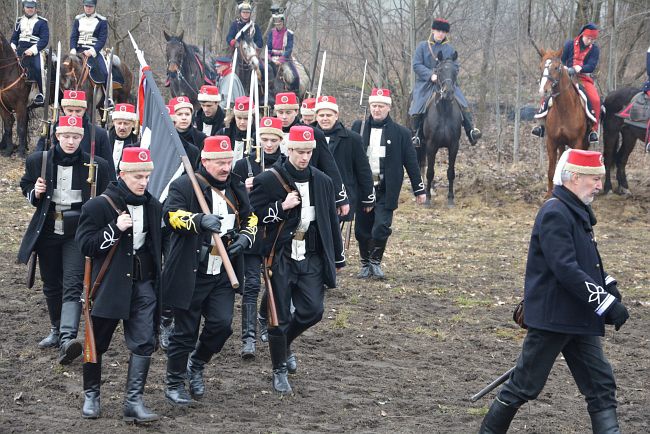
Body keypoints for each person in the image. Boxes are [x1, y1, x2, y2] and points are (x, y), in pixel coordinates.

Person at [479, 149, 630, 434]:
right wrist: (606, 304)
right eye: (594, 179)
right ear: (574, 178)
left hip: (578, 316)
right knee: (524, 386)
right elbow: (566, 269)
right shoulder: (555, 212)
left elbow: (588, 261)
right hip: (554, 317)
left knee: (601, 385)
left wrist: (608, 284)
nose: (600, 185)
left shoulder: (576, 210)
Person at [250, 125, 345, 395]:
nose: (304, 157)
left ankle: (284, 343)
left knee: (313, 311)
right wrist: (281, 208)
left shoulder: (323, 181)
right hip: (280, 257)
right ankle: (279, 369)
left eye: (308, 152)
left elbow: (329, 222)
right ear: (288, 149)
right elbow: (252, 217)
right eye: (299, 151)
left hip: (311, 256)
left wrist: (337, 257)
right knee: (277, 316)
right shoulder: (269, 179)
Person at [163, 135, 258, 406]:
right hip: (191, 272)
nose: (225, 167)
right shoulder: (185, 185)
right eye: (219, 162)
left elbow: (250, 216)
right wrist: (197, 220)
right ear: (205, 161)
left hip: (223, 273)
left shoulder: (236, 186)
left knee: (221, 325)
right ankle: (174, 383)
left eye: (228, 161)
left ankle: (198, 363)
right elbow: (170, 215)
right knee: (185, 332)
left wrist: (245, 237)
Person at [75, 147, 161, 423]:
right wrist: (114, 228)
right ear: (122, 174)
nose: (143, 183)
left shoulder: (153, 205)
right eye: (138, 177)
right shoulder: (98, 206)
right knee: (96, 342)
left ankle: (133, 402)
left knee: (144, 342)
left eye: (147, 177)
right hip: (108, 286)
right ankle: (92, 395)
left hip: (143, 285)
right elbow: (86, 245)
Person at [17, 116, 110, 363]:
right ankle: (57, 330)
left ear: (82, 138)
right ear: (57, 136)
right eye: (66, 136)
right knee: (51, 283)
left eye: (76, 136)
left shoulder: (96, 165)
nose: (70, 141)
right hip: (47, 229)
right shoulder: (39, 160)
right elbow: (25, 184)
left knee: (72, 282)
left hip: (77, 231)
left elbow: (107, 194)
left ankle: (68, 339)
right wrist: (33, 193)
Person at [352, 88, 426, 279]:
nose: (377, 110)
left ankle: (376, 262)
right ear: (370, 107)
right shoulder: (358, 127)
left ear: (388, 108)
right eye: (374, 106)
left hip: (386, 188)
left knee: (381, 226)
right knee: (362, 229)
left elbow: (411, 161)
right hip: (363, 188)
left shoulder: (401, 132)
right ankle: (365, 263)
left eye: (381, 106)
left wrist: (419, 188)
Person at [232, 116, 284, 359]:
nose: (269, 144)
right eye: (265, 139)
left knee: (274, 283)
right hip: (253, 232)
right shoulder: (244, 165)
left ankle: (264, 320)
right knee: (251, 285)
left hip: (277, 233)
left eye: (274, 139)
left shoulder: (285, 165)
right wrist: (245, 186)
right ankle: (248, 338)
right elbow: (233, 195)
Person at [273, 92, 349, 214]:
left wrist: (340, 198)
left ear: (296, 111)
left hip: (306, 190)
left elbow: (329, 165)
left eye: (288, 112)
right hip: (276, 190)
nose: (284, 117)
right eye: (280, 112)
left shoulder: (313, 133)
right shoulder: (268, 135)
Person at [409, 18, 481, 146]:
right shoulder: (422, 46)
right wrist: (431, 75)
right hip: (427, 83)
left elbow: (456, 67)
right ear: (433, 30)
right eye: (438, 30)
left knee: (462, 102)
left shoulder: (450, 49)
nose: (441, 34)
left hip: (446, 82)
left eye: (443, 31)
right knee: (418, 104)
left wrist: (447, 77)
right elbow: (416, 65)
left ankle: (471, 131)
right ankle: (416, 136)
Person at [533, 23, 601, 145]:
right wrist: (565, 69)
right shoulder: (570, 44)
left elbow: (591, 65)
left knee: (595, 99)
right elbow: (560, 60)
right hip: (565, 76)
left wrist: (578, 68)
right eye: (588, 38)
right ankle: (541, 125)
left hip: (583, 78)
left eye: (592, 39)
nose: (590, 41)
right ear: (582, 35)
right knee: (547, 91)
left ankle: (593, 130)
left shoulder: (594, 49)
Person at [315, 95, 375, 224]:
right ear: (316, 117)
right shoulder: (309, 136)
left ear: (336, 116)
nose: (325, 119)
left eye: (329, 115)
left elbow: (363, 170)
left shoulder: (353, 139)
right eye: (321, 115)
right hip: (315, 194)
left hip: (341, 196)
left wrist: (368, 196)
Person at [36, 90, 115, 178]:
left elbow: (109, 169)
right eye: (70, 110)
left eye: (78, 111)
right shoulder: (51, 130)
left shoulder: (99, 134)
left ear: (84, 110)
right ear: (63, 108)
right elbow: (38, 159)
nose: (73, 115)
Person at [69, 0, 114, 106]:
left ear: (94, 7)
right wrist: (73, 49)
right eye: (86, 6)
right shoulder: (78, 19)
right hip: (78, 51)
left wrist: (92, 51)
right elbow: (74, 36)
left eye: (91, 6)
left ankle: (107, 98)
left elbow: (102, 39)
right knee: (63, 69)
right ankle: (61, 96)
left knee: (105, 72)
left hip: (94, 51)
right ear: (83, 6)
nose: (88, 8)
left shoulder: (102, 20)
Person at [10, 0, 49, 106]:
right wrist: (12, 48)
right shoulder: (18, 21)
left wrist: (32, 50)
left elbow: (44, 40)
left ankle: (41, 94)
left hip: (35, 51)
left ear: (36, 8)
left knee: (38, 68)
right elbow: (14, 39)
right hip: (20, 50)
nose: (30, 9)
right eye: (28, 7)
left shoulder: (42, 22)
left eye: (32, 7)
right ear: (24, 8)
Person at [266, 4, 298, 86]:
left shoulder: (289, 34)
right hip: (271, 59)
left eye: (279, 21)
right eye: (276, 22)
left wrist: (280, 60)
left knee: (295, 77)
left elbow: (288, 49)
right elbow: (268, 48)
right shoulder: (271, 33)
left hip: (284, 59)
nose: (278, 24)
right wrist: (270, 58)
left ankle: (296, 94)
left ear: (283, 21)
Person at [217, 96, 255, 163]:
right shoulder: (224, 133)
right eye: (239, 118)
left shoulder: (257, 137)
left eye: (246, 118)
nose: (242, 122)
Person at [169, 96, 204, 168]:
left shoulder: (202, 138)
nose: (184, 118)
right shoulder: (165, 139)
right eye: (179, 114)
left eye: (187, 114)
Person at [109, 103, 139, 174]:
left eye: (126, 123)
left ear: (133, 124)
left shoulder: (137, 142)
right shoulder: (105, 140)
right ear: (114, 123)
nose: (122, 127)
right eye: (119, 123)